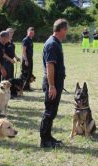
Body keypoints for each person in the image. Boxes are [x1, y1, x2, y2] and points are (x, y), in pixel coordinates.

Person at [40, 19, 68, 148]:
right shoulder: (52, 44)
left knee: (52, 111)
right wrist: (51, 86)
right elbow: (49, 65)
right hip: (52, 83)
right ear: (62, 29)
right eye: (66, 30)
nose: (66, 32)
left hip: (56, 82)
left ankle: (48, 137)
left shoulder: (56, 42)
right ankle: (44, 140)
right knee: (49, 111)